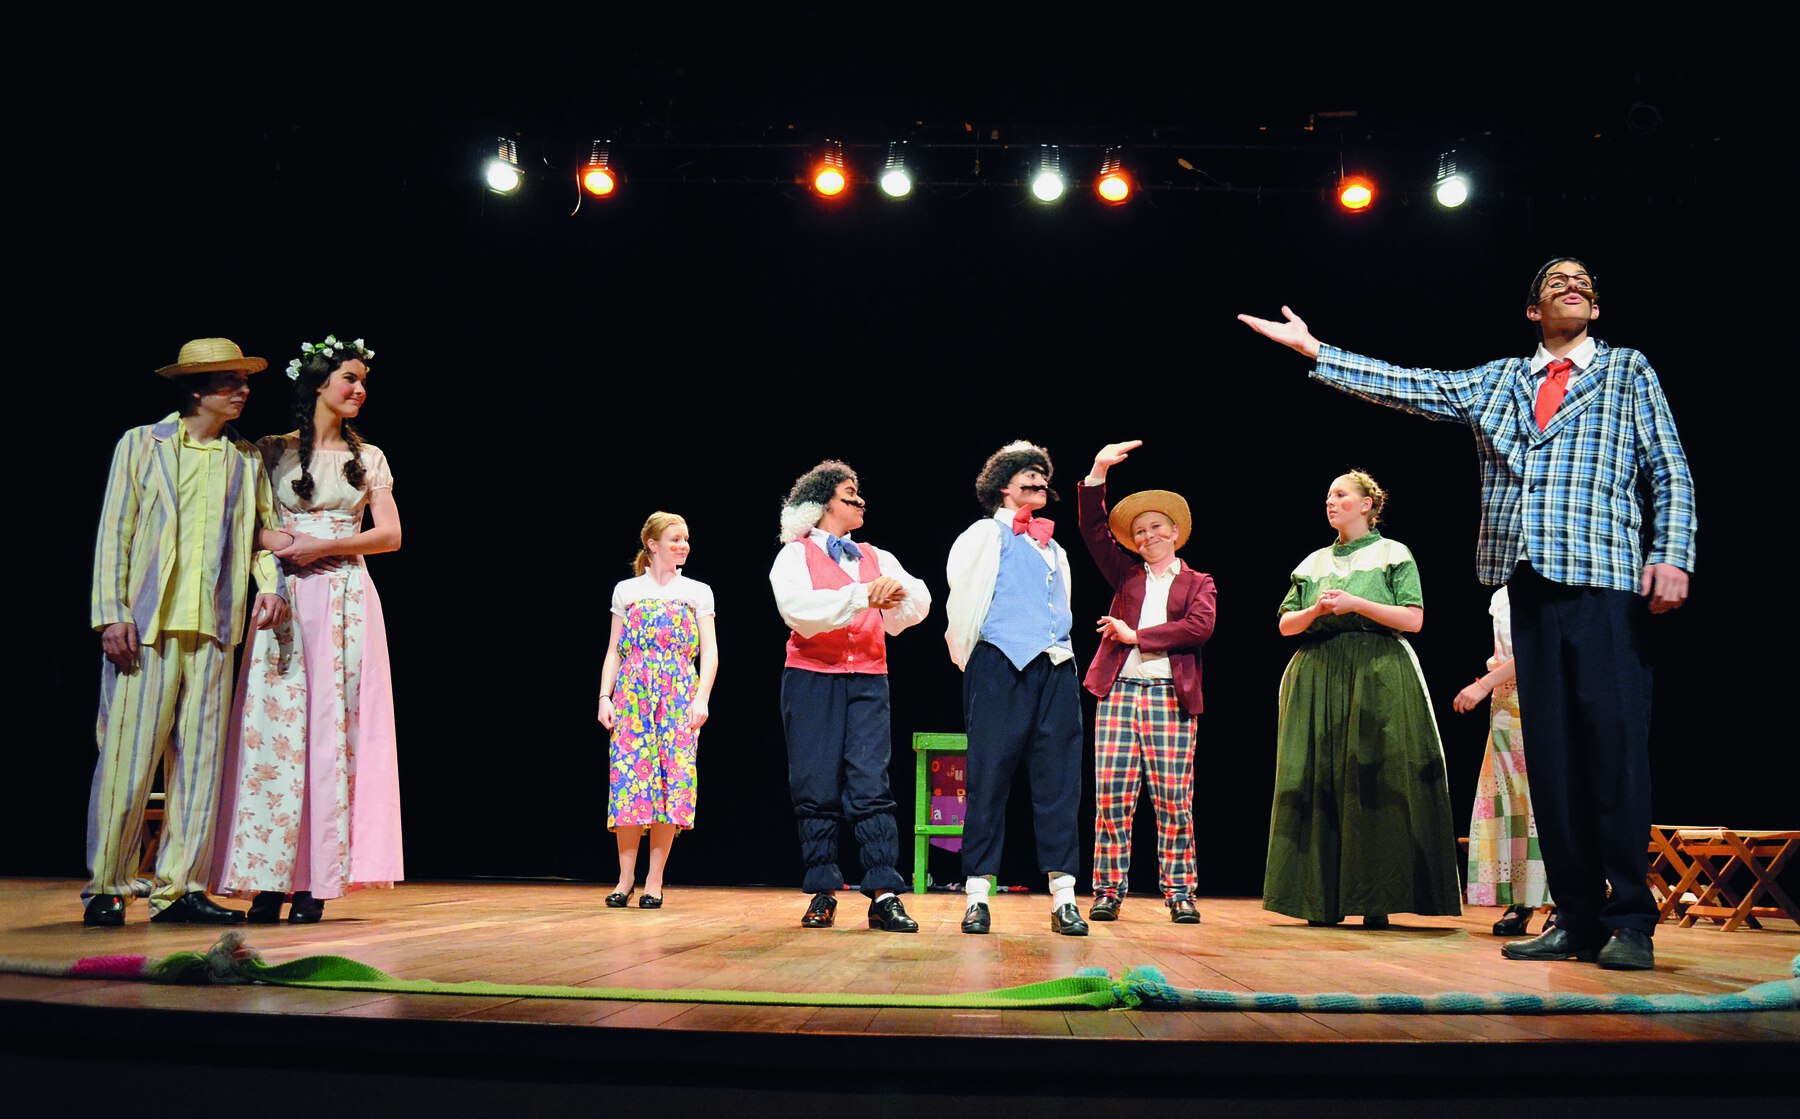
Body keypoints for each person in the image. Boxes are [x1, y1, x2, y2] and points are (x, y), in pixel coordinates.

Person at [1240, 256, 1695, 970]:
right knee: (1549, 756)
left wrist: (1672, 553)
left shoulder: (1629, 369)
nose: (1571, 287)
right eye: (1555, 282)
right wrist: (1317, 351)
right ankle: (1574, 916)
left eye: (1584, 283)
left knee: (1614, 748)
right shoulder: (1500, 380)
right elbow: (1412, 385)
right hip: (1531, 583)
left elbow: (1668, 467)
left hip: (1607, 577)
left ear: (1597, 311)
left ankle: (1630, 917)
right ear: (1531, 312)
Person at [84, 338, 289, 926]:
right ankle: (109, 886)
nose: (242, 391)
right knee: (126, 760)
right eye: (229, 382)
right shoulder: (141, 445)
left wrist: (268, 585)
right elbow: (114, 531)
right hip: (146, 628)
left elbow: (261, 532)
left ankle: (182, 888)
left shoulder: (245, 458)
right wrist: (111, 613)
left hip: (215, 628)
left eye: (244, 382)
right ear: (195, 390)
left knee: (200, 765)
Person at [211, 336, 404, 923]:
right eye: (349, 377)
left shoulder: (368, 457)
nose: (359, 388)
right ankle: (268, 877)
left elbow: (390, 536)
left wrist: (329, 544)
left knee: (330, 734)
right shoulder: (269, 451)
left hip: (345, 597)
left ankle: (316, 882)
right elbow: (244, 526)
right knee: (274, 735)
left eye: (363, 380)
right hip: (286, 597)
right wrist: (286, 544)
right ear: (318, 383)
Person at [1265, 471, 1461, 928]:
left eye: (1340, 495)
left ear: (1368, 504)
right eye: (1328, 496)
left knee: (1377, 781)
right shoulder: (1312, 562)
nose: (1330, 502)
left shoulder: (1394, 553)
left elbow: (1413, 619)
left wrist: (1357, 604)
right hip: (1317, 674)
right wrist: (1316, 610)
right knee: (1317, 779)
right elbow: (1284, 625)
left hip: (1378, 673)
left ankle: (1377, 898)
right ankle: (1320, 897)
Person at [770, 461, 929, 932]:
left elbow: (917, 605)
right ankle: (822, 889)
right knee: (815, 783)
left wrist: (895, 592)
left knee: (870, 782)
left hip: (868, 678)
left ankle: (883, 892)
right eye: (849, 492)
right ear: (821, 504)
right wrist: (863, 596)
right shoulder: (794, 555)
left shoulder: (874, 555)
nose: (860, 499)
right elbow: (798, 612)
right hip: (811, 677)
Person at [945, 441, 1087, 936]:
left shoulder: (1054, 546)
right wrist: (980, 665)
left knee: (1059, 785)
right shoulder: (985, 535)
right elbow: (962, 604)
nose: (1038, 482)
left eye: (1043, 476)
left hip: (1055, 667)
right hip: (1000, 665)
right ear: (1003, 485)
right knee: (989, 782)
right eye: (1028, 474)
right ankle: (977, 896)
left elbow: (1059, 608)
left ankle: (1065, 897)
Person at [1076, 440, 1217, 924]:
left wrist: (1135, 635)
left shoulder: (1199, 582)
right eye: (1139, 531)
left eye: (1156, 526)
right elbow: (1092, 531)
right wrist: (1098, 471)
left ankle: (1180, 892)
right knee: (1112, 795)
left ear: (1175, 531)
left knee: (1174, 798)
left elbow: (1199, 628)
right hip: (1119, 694)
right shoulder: (1126, 576)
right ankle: (1108, 889)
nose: (1148, 534)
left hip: (1169, 699)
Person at [598, 511, 718, 909]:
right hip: (633, 695)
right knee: (630, 783)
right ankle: (624, 878)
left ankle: (654, 880)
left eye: (686, 539)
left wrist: (701, 698)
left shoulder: (698, 591)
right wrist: (604, 697)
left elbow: (711, 652)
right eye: (675, 539)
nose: (683, 545)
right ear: (652, 544)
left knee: (671, 784)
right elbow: (615, 650)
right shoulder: (626, 590)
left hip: (678, 695)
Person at [1453, 586, 1550, 937]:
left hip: (1545, 692)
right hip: (1507, 701)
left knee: (1549, 797)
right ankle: (1523, 899)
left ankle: (1564, 901)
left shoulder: (1549, 588)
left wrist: (1482, 685)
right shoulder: (1502, 596)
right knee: (1513, 803)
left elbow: (1539, 646)